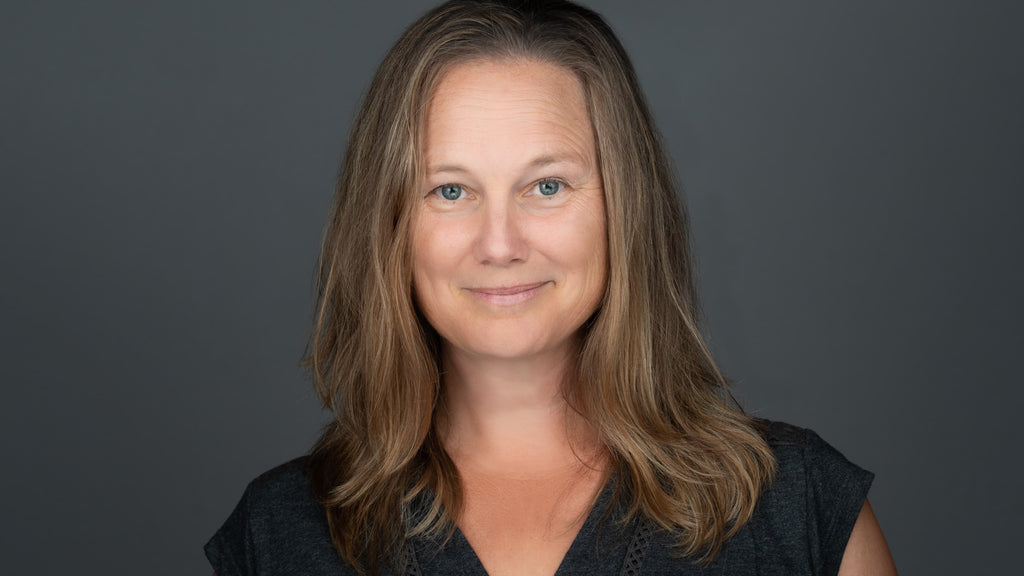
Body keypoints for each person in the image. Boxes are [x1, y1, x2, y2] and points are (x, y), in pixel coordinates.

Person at [205, 1, 897, 575]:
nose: (500, 243)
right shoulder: (280, 534)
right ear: (387, 222)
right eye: (450, 190)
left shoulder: (795, 507)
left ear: (623, 206)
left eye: (547, 185)